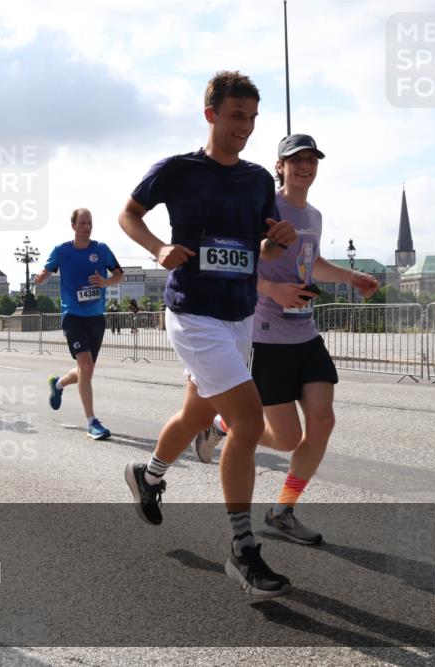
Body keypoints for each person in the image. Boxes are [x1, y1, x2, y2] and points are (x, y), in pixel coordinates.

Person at [118, 71, 299, 598]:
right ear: (211, 114)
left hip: (239, 314)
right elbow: (129, 214)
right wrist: (156, 248)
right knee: (246, 421)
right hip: (193, 313)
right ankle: (243, 551)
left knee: (198, 414)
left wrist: (278, 243)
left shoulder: (260, 180)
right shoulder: (178, 170)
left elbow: (259, 249)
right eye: (236, 116)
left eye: (252, 118)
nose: (245, 127)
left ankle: (148, 476)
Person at [192, 134, 379, 547]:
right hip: (267, 335)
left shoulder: (313, 214)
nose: (305, 167)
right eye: (296, 160)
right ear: (280, 166)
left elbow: (312, 263)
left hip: (305, 333)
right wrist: (274, 292)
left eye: (311, 160)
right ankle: (223, 424)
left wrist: (350, 276)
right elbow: (238, 264)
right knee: (289, 437)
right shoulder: (265, 208)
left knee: (324, 422)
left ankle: (283, 510)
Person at [35, 208, 124, 440]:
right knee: (85, 366)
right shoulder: (61, 251)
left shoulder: (101, 250)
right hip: (73, 316)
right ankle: (92, 422)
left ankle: (58, 384)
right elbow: (47, 271)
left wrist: (105, 282)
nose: (87, 227)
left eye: (90, 223)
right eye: (83, 223)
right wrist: (42, 277)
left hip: (96, 317)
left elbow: (119, 274)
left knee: (87, 370)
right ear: (73, 225)